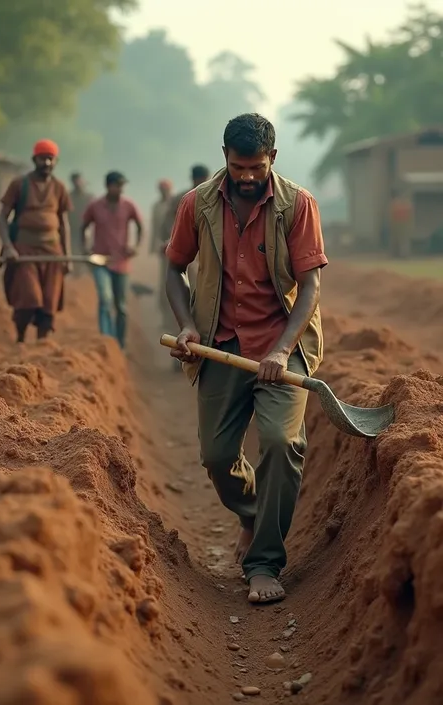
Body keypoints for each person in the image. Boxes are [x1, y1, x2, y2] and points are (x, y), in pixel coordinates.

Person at [165, 113, 328, 604]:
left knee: (280, 442)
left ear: (272, 159)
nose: (248, 176)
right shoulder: (197, 204)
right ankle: (255, 513)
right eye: (240, 167)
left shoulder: (298, 205)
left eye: (257, 166)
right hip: (221, 343)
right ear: (225, 159)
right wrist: (189, 326)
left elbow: (311, 286)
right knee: (216, 456)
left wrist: (282, 349)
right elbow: (174, 269)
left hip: (283, 347)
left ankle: (263, 564)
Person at [0, 139, 72, 343]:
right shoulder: (19, 185)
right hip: (24, 251)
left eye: (50, 159)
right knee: (29, 298)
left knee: (49, 302)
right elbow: (2, 218)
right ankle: (20, 338)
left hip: (53, 252)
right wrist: (8, 247)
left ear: (55, 161)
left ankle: (42, 345)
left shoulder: (59, 187)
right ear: (34, 159)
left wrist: (67, 257)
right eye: (42, 158)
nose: (46, 163)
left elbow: (64, 223)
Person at [81, 171, 143, 351]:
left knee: (121, 306)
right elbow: (83, 227)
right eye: (118, 185)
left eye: (122, 186)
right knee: (105, 299)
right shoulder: (95, 206)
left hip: (121, 262)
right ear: (108, 186)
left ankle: (120, 344)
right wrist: (85, 249)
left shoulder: (128, 205)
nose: (121, 189)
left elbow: (140, 226)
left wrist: (135, 246)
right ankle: (106, 342)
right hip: (100, 261)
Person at [161, 165, 210, 295]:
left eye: (205, 179)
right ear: (193, 179)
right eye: (200, 180)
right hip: (186, 246)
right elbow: (169, 221)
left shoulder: (215, 197)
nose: (203, 183)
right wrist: (173, 238)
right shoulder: (183, 198)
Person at [150, 179, 174, 332]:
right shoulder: (156, 207)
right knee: (165, 285)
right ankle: (166, 321)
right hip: (164, 250)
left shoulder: (177, 203)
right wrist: (154, 245)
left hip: (181, 248)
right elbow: (155, 228)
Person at [68, 172, 94, 277]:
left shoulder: (89, 197)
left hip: (87, 228)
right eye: (75, 181)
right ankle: (76, 273)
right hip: (72, 228)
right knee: (73, 250)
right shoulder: (68, 196)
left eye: (79, 181)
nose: (77, 183)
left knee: (87, 249)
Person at [388, 186, 413, 259]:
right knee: (402, 240)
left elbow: (391, 215)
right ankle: (401, 254)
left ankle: (400, 254)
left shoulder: (394, 204)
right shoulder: (407, 203)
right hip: (402, 223)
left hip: (399, 223)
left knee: (400, 240)